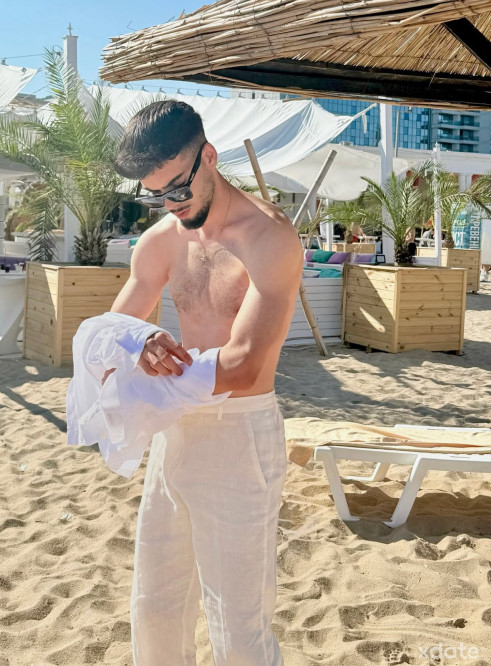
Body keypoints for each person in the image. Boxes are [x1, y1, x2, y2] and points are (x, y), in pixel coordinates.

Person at [110, 100, 303, 666]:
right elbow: (112, 331)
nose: (170, 204)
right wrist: (140, 342)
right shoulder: (162, 239)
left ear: (210, 157)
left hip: (240, 436)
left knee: (237, 626)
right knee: (155, 608)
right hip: (174, 433)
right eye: (155, 195)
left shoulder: (268, 238)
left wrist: (154, 373)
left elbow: (243, 365)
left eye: (176, 188)